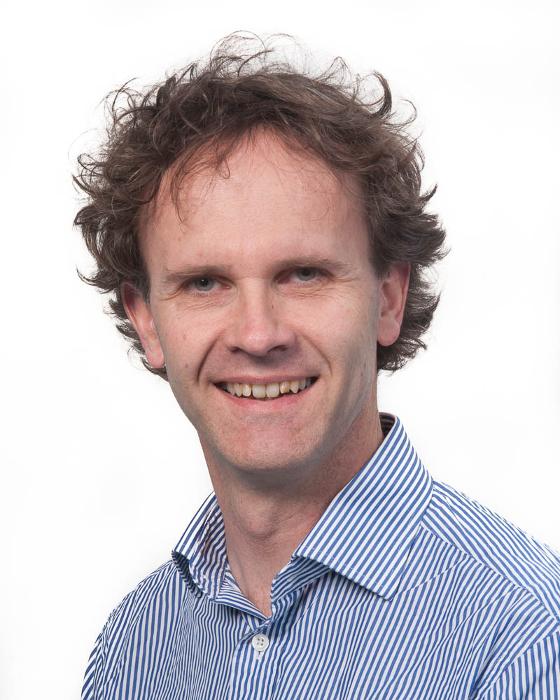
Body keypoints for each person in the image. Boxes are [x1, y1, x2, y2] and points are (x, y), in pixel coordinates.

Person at [75, 35, 560, 699]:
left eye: (303, 274)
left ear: (388, 299)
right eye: (205, 283)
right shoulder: (136, 647)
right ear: (148, 321)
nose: (258, 334)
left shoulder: (523, 634)